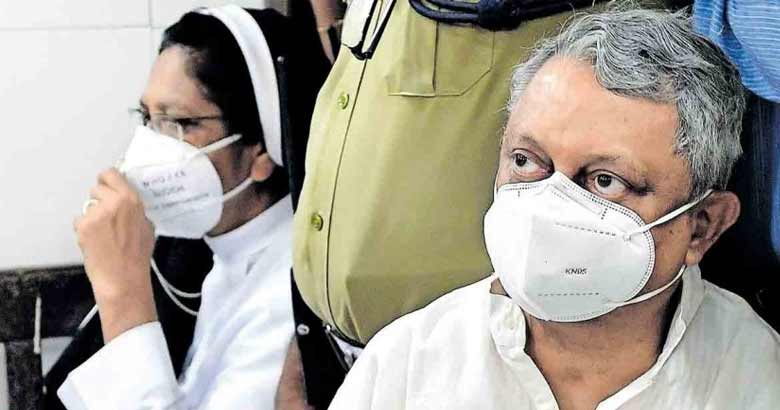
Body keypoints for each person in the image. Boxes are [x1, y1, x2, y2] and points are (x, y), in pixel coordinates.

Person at [329, 8, 780, 409]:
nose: (548, 206)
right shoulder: (408, 366)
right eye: (526, 161)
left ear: (702, 226)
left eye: (605, 181)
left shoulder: (754, 378)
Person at [56, 5, 329, 409]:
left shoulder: (292, 293)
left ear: (261, 149)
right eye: (149, 118)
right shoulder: (219, 256)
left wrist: (123, 292)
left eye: (181, 123)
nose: (152, 145)